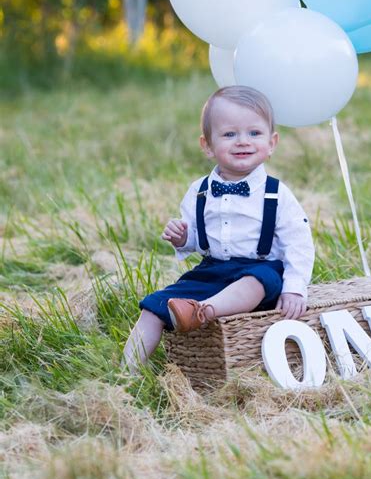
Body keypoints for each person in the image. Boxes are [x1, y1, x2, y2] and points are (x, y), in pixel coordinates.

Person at [122, 85, 314, 371]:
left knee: (255, 280)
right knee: (152, 308)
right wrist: (184, 238)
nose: (242, 141)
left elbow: (298, 242)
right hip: (212, 271)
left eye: (254, 133)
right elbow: (197, 240)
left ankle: (202, 312)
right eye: (229, 134)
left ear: (272, 142)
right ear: (207, 145)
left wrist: (295, 289)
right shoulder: (198, 191)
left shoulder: (277, 193)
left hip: (260, 271)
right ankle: (126, 373)